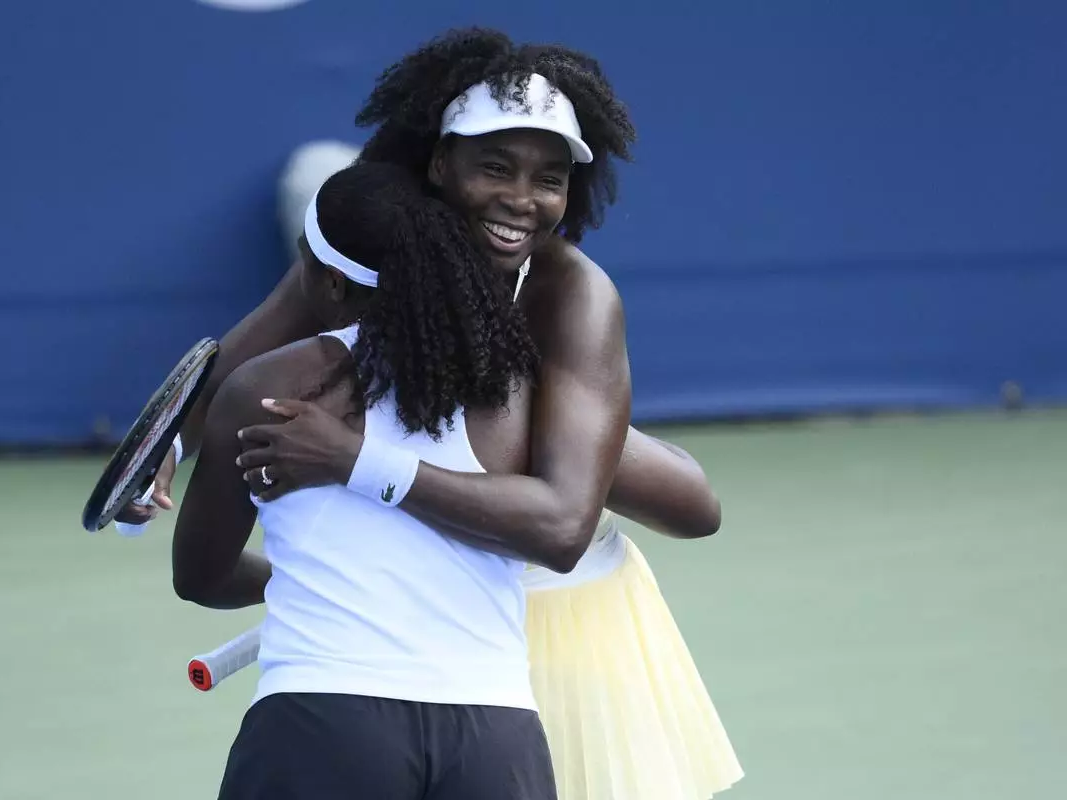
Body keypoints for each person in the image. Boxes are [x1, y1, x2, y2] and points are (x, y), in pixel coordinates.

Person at [142, 28, 742, 800]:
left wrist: (525, 431)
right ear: (437, 163)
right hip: (424, 638)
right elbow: (230, 374)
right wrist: (163, 448)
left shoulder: (572, 292)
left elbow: (686, 509)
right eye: (494, 166)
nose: (521, 200)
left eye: (547, 177)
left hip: (562, 617)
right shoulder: (368, 246)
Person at [173, 161, 555, 799]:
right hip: (498, 742)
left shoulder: (264, 389)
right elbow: (568, 521)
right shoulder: (517, 391)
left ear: (328, 284)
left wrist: (313, 582)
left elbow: (200, 577)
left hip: (319, 726)